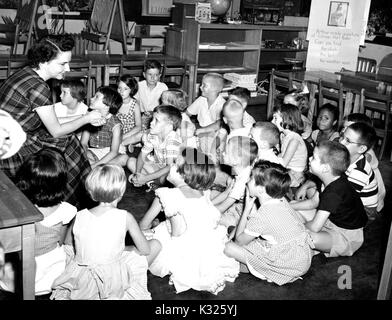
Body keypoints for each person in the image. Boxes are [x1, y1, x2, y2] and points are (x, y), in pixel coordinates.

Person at [0, 34, 104, 207]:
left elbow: (46, 121)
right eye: (62, 63)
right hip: (11, 150)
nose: (68, 68)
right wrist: (86, 117)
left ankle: (72, 197)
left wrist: (82, 117)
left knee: (67, 141)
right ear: (43, 61)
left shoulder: (25, 73)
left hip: (12, 137)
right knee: (69, 144)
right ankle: (73, 200)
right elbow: (55, 130)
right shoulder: (38, 87)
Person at [50, 164, 161, 300]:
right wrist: (124, 248)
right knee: (155, 244)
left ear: (91, 192)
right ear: (122, 191)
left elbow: (68, 245)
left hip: (82, 279)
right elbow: (145, 250)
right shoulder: (126, 217)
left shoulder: (79, 215)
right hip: (113, 279)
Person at [139, 148, 239, 294]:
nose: (170, 165)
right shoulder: (203, 192)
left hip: (180, 250)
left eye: (174, 164)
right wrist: (226, 193)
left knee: (148, 237)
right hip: (203, 249)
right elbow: (207, 211)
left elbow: (143, 226)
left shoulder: (166, 195)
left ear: (183, 174)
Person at [224, 160, 314, 285]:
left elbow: (238, 242)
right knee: (246, 247)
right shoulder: (281, 199)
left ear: (260, 190)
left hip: (288, 264)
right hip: (302, 257)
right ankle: (254, 267)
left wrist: (246, 209)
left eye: (251, 178)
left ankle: (266, 271)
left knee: (228, 248)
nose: (247, 181)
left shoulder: (263, 214)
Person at [15, 148, 77, 296]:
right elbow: (60, 241)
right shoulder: (68, 210)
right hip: (51, 272)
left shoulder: (20, 208)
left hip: (21, 270)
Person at [291, 141, 368, 257]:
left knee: (309, 236)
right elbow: (313, 202)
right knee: (292, 205)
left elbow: (315, 227)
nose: (310, 158)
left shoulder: (333, 192)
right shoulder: (330, 180)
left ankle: (306, 249)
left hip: (347, 236)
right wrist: (287, 206)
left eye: (314, 158)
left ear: (325, 168)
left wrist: (292, 227)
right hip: (330, 222)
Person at [127, 105, 182, 188]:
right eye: (152, 119)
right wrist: (137, 173)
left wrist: (146, 177)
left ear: (169, 126)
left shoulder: (172, 139)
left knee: (167, 177)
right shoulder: (152, 134)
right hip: (158, 166)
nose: (151, 123)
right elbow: (142, 155)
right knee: (131, 161)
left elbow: (169, 167)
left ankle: (149, 181)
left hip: (171, 171)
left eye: (156, 120)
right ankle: (150, 183)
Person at [341, 113, 385, 213]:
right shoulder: (352, 149)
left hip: (364, 207)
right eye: (344, 128)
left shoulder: (365, 157)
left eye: (351, 127)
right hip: (356, 190)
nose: (344, 131)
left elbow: (346, 195)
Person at [213, 136, 259, 228]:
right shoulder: (241, 170)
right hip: (238, 206)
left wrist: (202, 211)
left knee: (211, 219)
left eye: (226, 152)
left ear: (236, 160)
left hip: (246, 218)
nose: (222, 153)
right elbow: (227, 192)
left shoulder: (242, 182)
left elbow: (224, 206)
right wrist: (208, 204)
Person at [339, 122, 379, 221]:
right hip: (352, 198)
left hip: (364, 212)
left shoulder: (359, 171)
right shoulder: (347, 157)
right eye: (342, 137)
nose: (341, 142)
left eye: (347, 141)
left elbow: (345, 198)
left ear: (361, 149)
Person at [81, 86, 123, 169]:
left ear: (107, 106)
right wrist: (84, 155)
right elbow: (83, 143)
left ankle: (97, 168)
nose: (91, 99)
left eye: (96, 97)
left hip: (110, 152)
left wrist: (94, 165)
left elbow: (114, 152)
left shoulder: (116, 125)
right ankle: (101, 168)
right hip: (94, 151)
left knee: (123, 159)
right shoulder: (89, 115)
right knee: (78, 155)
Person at [271, 103, 308, 188]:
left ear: (287, 121)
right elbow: (282, 154)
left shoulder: (294, 140)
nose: (272, 121)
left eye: (275, 118)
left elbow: (284, 163)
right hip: (288, 168)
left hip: (295, 174)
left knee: (270, 181)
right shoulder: (283, 135)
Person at [135, 59, 168, 132]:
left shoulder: (163, 87)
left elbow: (165, 106)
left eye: (156, 75)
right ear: (144, 75)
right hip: (141, 116)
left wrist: (154, 114)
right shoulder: (139, 86)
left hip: (158, 116)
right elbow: (135, 103)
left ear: (160, 75)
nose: (153, 78)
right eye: (150, 74)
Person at [116, 75, 142, 153]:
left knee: (141, 135)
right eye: (119, 88)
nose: (121, 91)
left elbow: (138, 126)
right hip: (117, 132)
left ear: (132, 90)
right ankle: (124, 145)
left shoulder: (134, 105)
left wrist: (123, 137)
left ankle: (124, 144)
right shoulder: (115, 103)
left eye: (125, 89)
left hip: (130, 133)